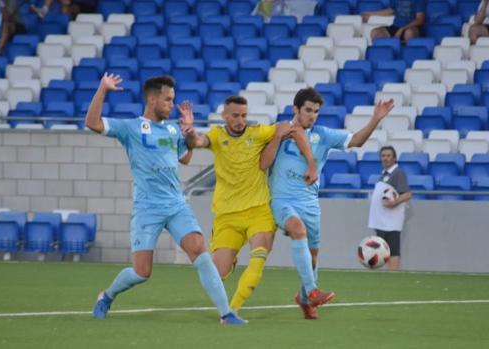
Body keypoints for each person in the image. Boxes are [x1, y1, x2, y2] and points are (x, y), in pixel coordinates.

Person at [86, 74, 246, 325]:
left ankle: (226, 314)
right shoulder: (131, 128)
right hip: (147, 208)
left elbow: (186, 158)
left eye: (172, 99)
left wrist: (189, 132)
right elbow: (92, 122)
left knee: (200, 252)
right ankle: (106, 295)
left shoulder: (172, 129)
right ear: (152, 99)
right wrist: (102, 89)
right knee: (142, 272)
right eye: (167, 99)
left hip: (176, 205)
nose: (172, 104)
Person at [260, 88, 394, 320]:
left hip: (310, 203)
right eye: (308, 110)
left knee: (312, 258)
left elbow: (357, 141)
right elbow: (263, 163)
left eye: (316, 111)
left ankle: (304, 299)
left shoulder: (322, 135)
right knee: (297, 230)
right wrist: (277, 137)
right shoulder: (278, 130)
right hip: (282, 200)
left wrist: (375, 120)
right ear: (296, 109)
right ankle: (312, 293)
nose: (312, 115)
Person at [179, 95, 317, 314]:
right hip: (227, 216)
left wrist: (311, 162)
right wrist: (189, 131)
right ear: (224, 116)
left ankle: (232, 311)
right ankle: (229, 265)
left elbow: (296, 129)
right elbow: (196, 142)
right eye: (235, 116)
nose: (240, 120)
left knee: (258, 258)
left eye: (243, 115)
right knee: (218, 273)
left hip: (259, 211)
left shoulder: (258, 132)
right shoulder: (216, 136)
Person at [367, 146, 412, 271]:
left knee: (393, 249)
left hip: (391, 221)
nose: (385, 158)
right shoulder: (383, 174)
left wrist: (395, 202)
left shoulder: (398, 173)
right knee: (383, 249)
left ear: (394, 158)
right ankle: (388, 274)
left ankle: (394, 275)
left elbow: (407, 194)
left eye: (388, 155)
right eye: (383, 156)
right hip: (382, 221)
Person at [362, 0, 426, 43]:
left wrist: (402, 29)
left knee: (409, 33)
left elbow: (420, 20)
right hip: (396, 26)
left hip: (411, 28)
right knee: (375, 33)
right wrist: (371, 14)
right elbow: (391, 11)